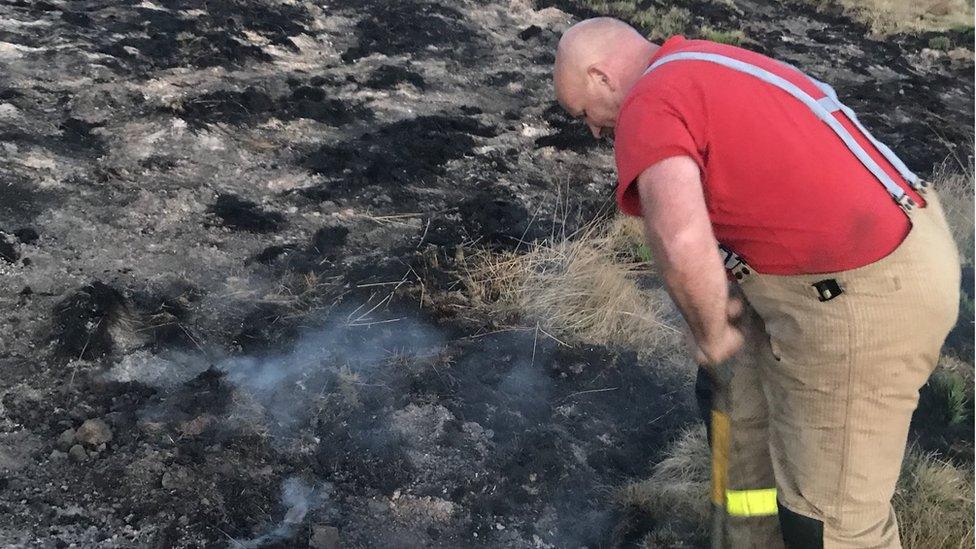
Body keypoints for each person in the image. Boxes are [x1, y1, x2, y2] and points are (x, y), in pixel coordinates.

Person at [553, 17, 961, 549]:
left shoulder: (649, 102)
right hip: (871, 250)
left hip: (864, 295)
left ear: (603, 77)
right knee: (738, 414)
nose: (593, 130)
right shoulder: (703, 64)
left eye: (584, 113)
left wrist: (712, 334)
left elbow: (679, 238)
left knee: (830, 522)